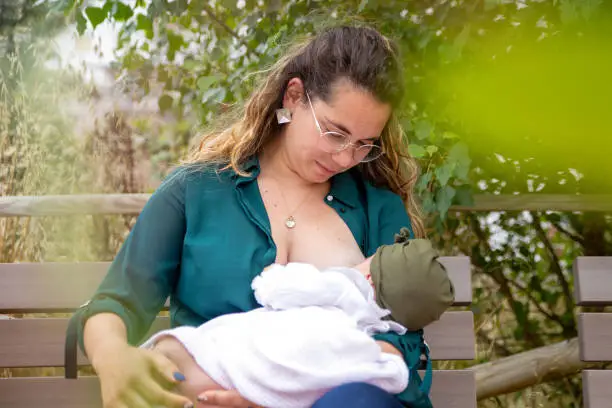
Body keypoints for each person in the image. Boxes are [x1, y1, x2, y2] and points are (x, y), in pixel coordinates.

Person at [67, 25, 446, 408]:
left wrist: (273, 401)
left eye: (365, 144)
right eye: (335, 133)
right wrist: (113, 357)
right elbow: (117, 301)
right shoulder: (195, 192)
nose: (346, 157)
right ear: (295, 96)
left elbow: (397, 345)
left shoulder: (378, 209)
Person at [138, 233, 454, 408]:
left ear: (370, 276)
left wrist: (271, 276)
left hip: (213, 362)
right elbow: (395, 376)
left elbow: (274, 288)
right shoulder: (363, 345)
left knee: (185, 351)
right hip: (246, 385)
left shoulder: (340, 287)